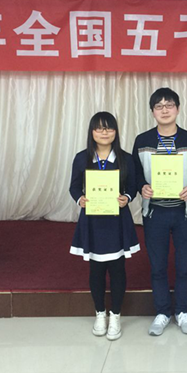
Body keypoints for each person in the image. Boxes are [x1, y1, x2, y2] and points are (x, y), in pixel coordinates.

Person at [133, 88, 187, 336]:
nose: (164, 110)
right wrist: (141, 187)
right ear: (152, 111)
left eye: (169, 105)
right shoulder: (142, 140)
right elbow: (135, 173)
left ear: (178, 108)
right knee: (158, 266)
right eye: (159, 106)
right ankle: (163, 312)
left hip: (185, 213)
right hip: (155, 213)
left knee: (185, 265)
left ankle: (182, 311)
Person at [69, 111, 139, 341]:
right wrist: (80, 200)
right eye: (99, 128)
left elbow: (133, 187)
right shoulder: (82, 158)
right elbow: (74, 187)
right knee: (96, 270)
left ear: (116, 132)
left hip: (117, 221)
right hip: (93, 221)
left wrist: (126, 198)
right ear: (92, 132)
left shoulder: (126, 158)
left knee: (118, 269)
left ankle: (115, 315)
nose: (104, 132)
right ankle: (100, 313)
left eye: (109, 128)